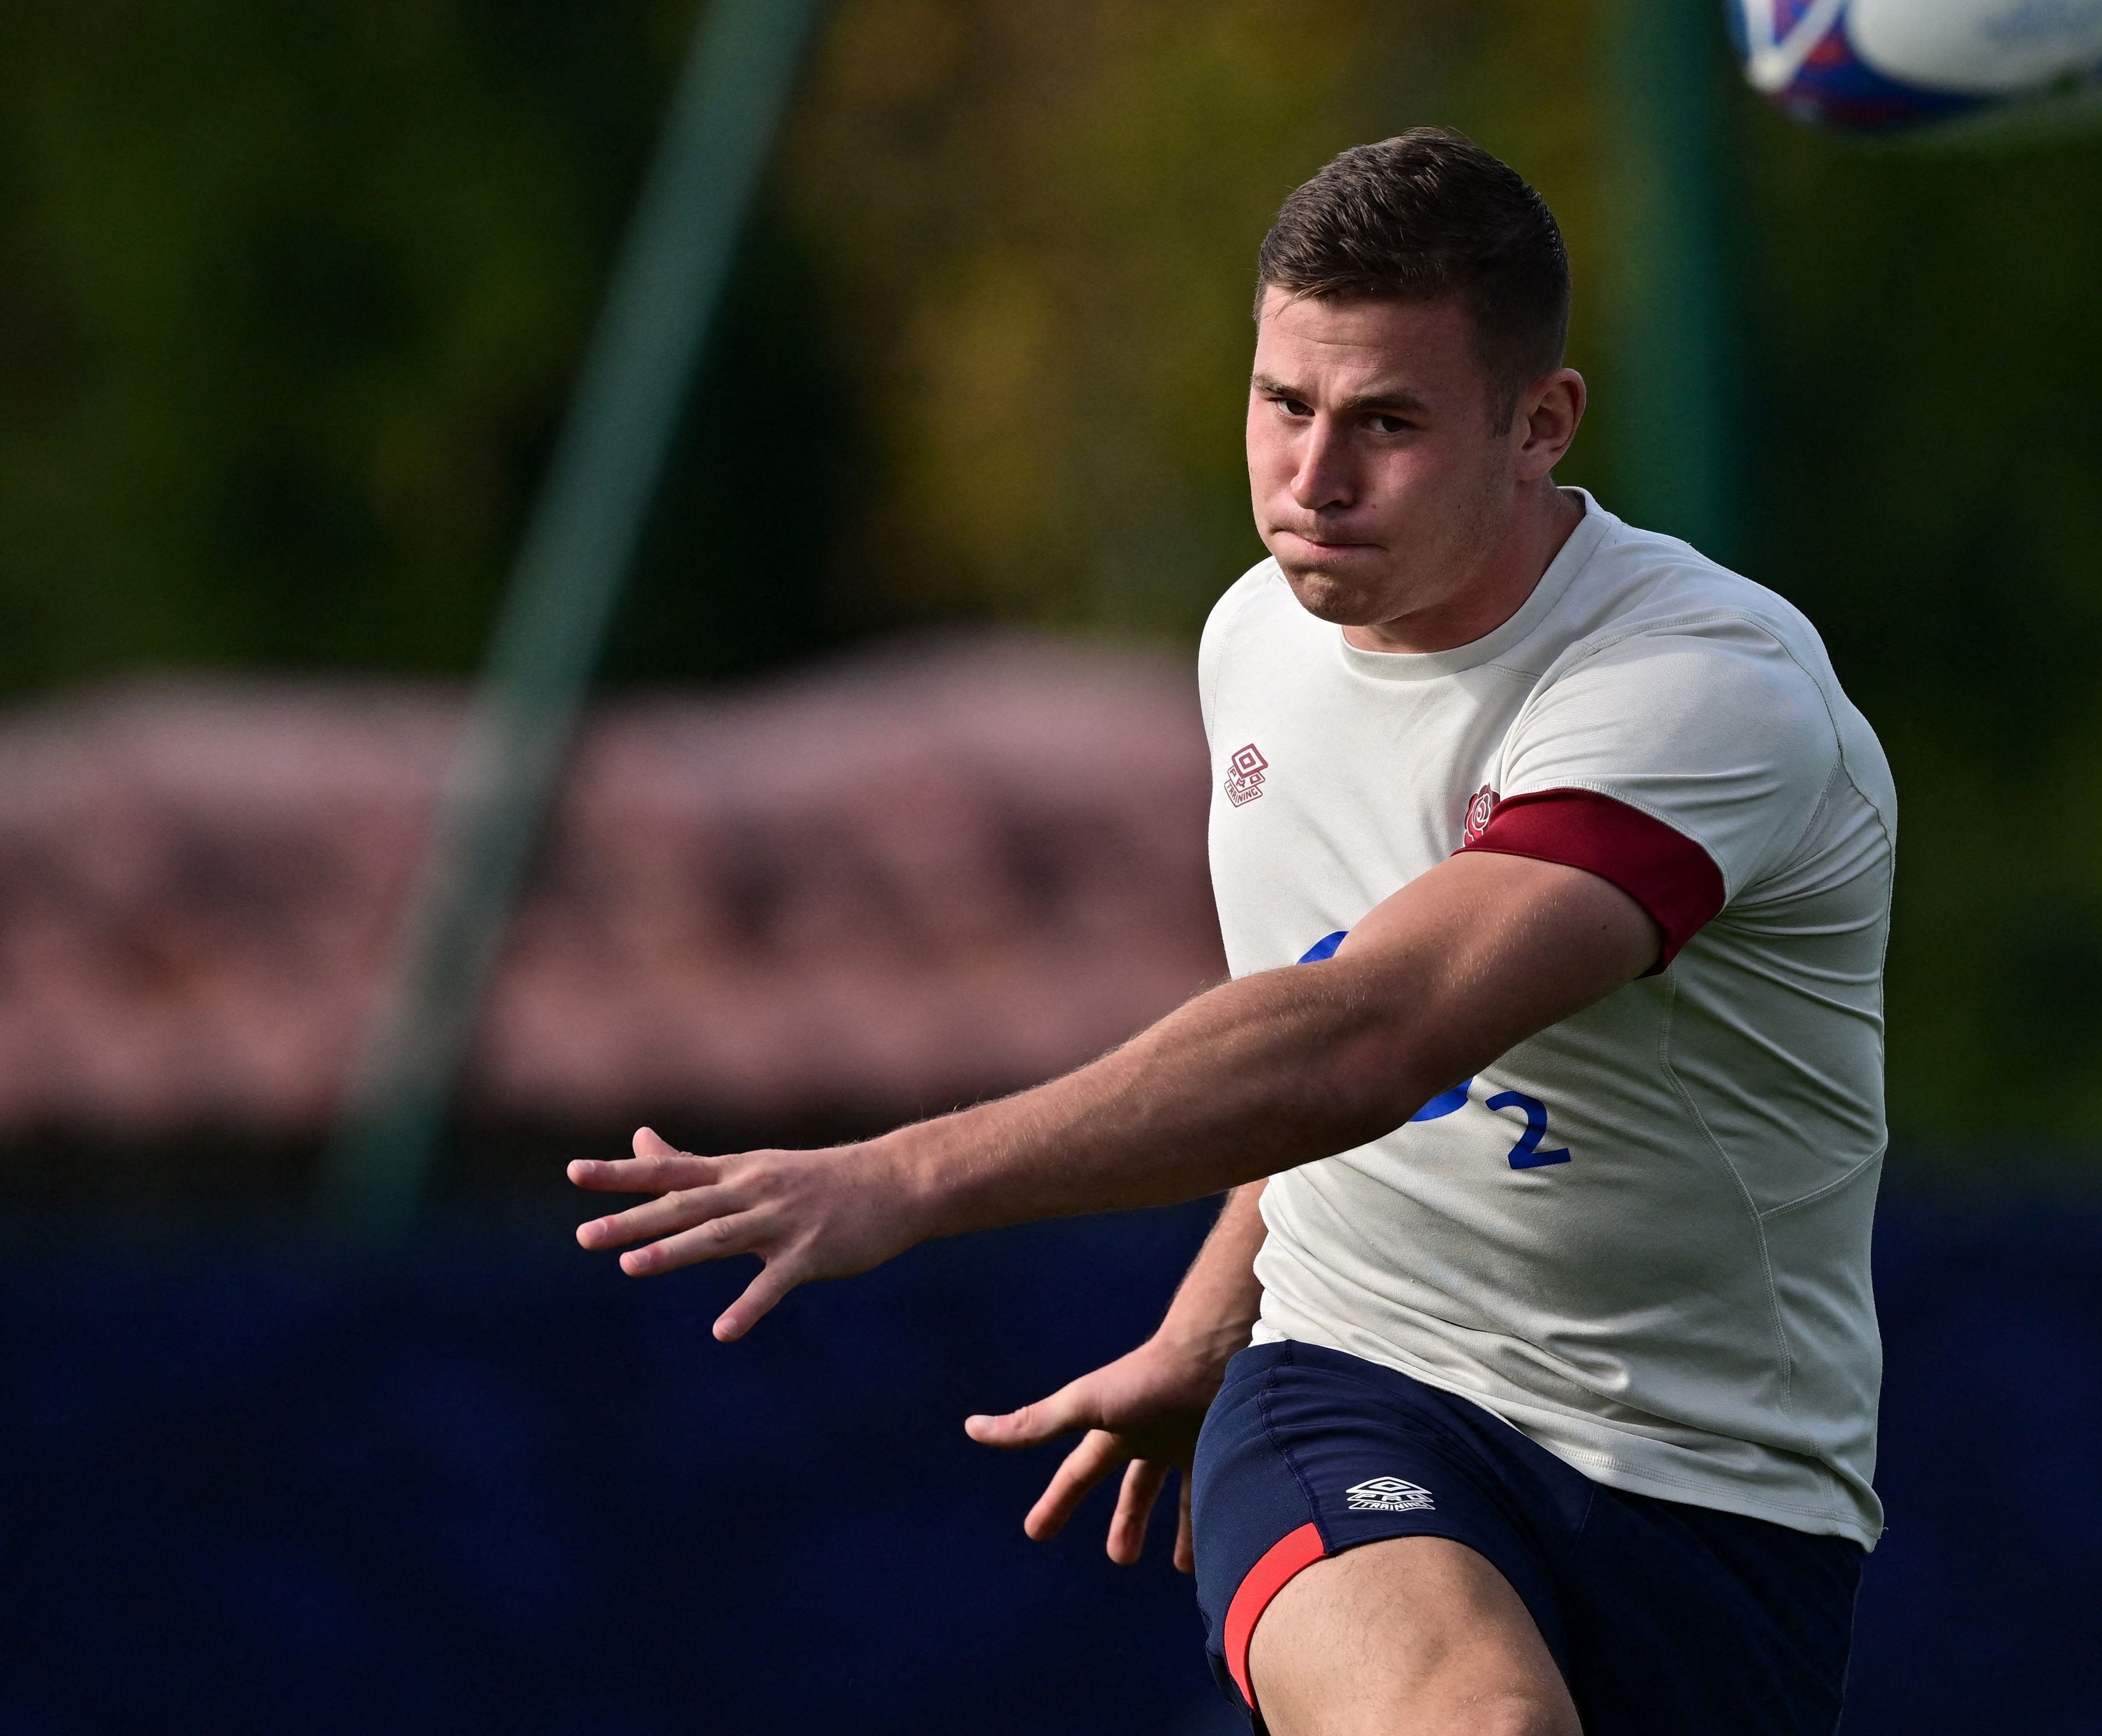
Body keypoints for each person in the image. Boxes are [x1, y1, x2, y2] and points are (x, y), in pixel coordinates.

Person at [570, 128, 1896, 1735]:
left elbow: (1371, 1039)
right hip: (1359, 1373)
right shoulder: (1259, 637)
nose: (1312, 477)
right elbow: (1314, 1010)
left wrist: (901, 1175)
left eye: (1387, 423)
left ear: (1539, 423)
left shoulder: (1700, 691)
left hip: (1716, 1486)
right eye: (1284, 404)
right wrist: (1216, 1329)